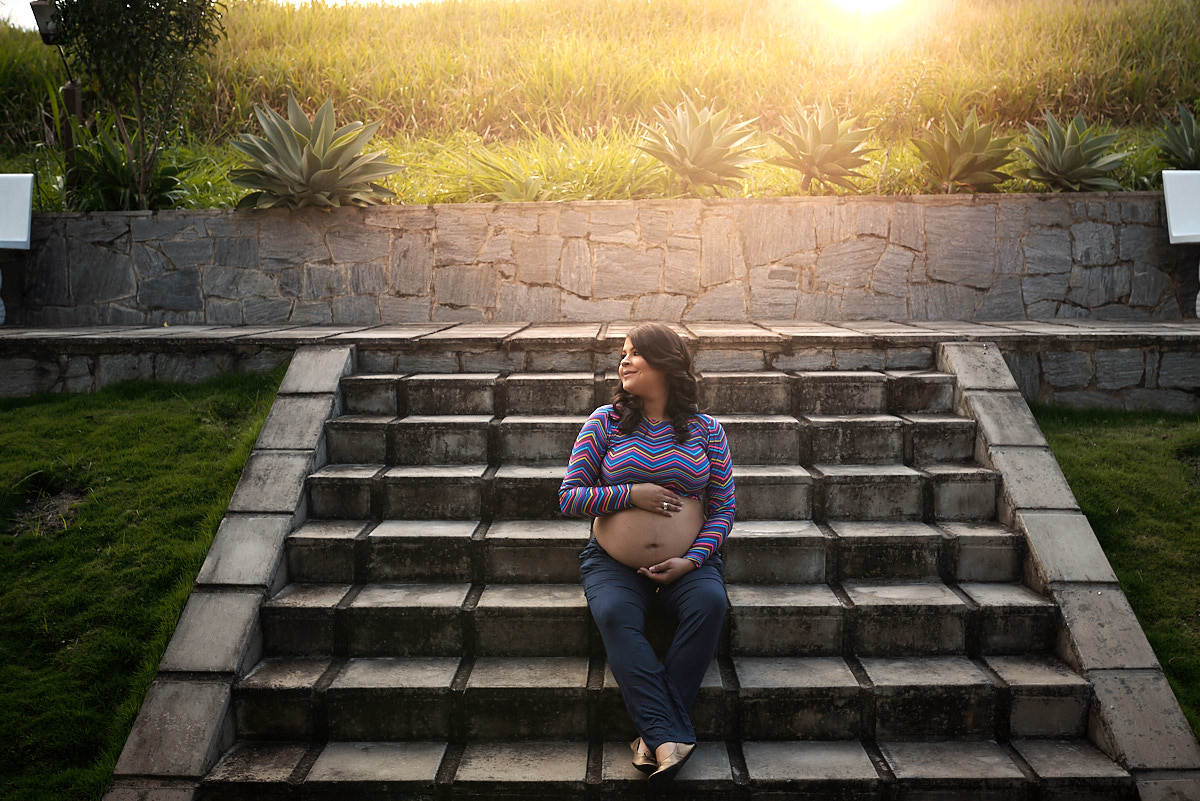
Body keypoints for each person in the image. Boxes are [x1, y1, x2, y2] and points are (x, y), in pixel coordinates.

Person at [558, 321, 735, 784]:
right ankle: (667, 734)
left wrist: (692, 560)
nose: (624, 361)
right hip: (613, 563)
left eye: (634, 353)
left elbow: (724, 509)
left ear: (665, 363)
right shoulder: (605, 422)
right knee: (615, 614)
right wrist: (629, 494)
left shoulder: (706, 430)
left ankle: (653, 735)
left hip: (689, 562)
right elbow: (570, 496)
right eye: (623, 353)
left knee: (711, 603)